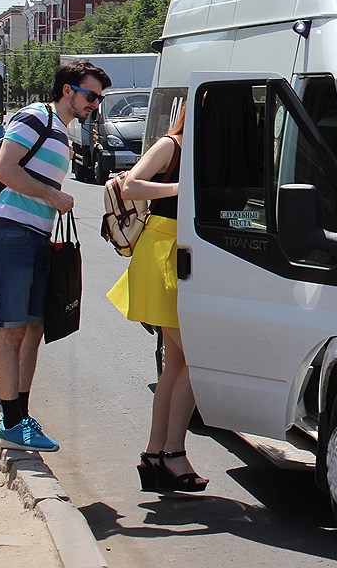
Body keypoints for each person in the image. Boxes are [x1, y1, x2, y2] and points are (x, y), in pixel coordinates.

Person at [0, 59, 110, 452]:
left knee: (34, 330)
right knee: (12, 330)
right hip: (12, 235)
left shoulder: (60, 130)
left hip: (37, 238)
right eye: (91, 95)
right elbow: (4, 170)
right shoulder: (35, 117)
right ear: (68, 90)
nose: (95, 104)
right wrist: (53, 195)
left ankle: (21, 416)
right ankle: (11, 422)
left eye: (100, 99)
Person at [105, 106, 208, 493]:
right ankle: (171, 454)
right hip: (164, 249)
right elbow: (130, 185)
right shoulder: (173, 144)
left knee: (177, 363)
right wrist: (181, 189)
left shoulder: (198, 149)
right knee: (199, 359)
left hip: (178, 250)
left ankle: (156, 455)